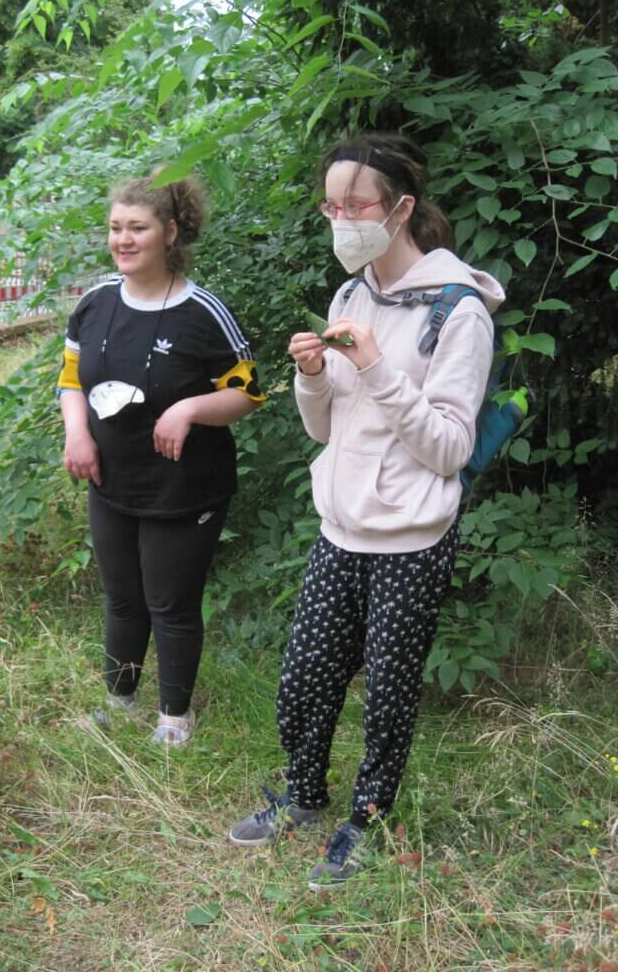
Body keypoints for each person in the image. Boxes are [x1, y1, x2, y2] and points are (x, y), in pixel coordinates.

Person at [229, 132, 505, 888]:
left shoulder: (459, 312)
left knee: (387, 693)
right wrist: (314, 377)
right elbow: (326, 426)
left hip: (413, 536)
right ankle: (305, 797)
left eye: (356, 205)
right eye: (330, 205)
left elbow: (449, 446)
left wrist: (377, 366)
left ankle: (366, 820)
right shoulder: (351, 294)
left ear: (402, 208)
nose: (341, 218)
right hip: (340, 527)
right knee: (305, 677)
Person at [57, 174, 265, 745]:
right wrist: (77, 433)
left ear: (169, 233)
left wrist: (191, 408)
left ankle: (175, 717)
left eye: (137, 228)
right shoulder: (94, 304)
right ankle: (121, 701)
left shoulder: (203, 312)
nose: (123, 239)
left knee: (169, 603)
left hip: (184, 488)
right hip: (110, 480)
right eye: (115, 228)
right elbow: (72, 377)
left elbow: (247, 391)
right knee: (123, 599)